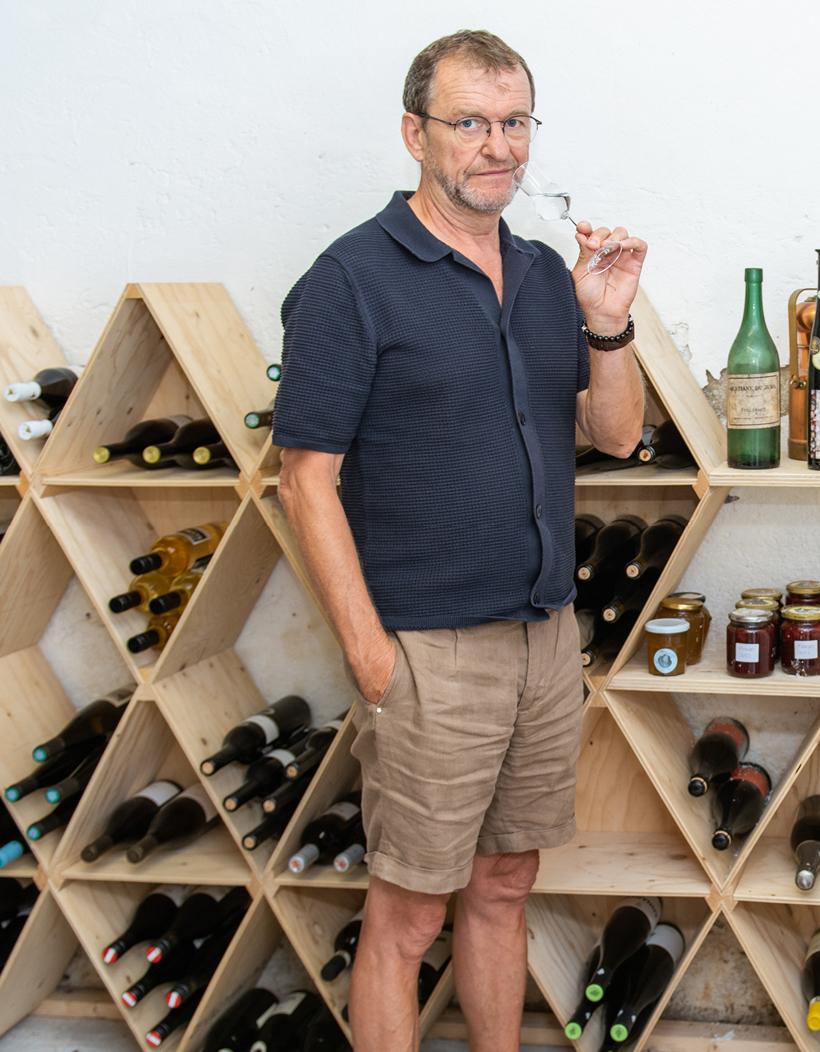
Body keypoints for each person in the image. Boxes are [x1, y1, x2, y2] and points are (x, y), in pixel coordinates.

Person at [273, 30, 645, 1052]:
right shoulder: (351, 280)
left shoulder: (537, 275)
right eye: (470, 122)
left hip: (544, 638)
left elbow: (614, 433)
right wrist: (367, 651)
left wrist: (605, 321)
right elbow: (303, 477)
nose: (497, 146)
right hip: (428, 651)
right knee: (406, 916)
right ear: (415, 134)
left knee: (505, 884)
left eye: (513, 121)